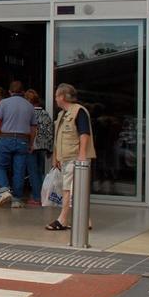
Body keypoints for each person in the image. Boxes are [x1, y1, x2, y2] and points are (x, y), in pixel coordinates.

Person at [46, 83, 96, 232]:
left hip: (75, 158)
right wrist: (56, 156)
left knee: (69, 189)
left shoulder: (79, 111)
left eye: (56, 96)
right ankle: (85, 220)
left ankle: (62, 219)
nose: (55, 99)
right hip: (65, 158)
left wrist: (81, 155)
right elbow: (58, 137)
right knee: (72, 189)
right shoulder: (62, 114)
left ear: (62, 96)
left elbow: (84, 134)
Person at [0, 80, 37, 208]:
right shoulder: (29, 106)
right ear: (23, 92)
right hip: (23, 139)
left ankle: (4, 190)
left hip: (6, 137)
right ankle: (16, 199)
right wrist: (31, 143)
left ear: (10, 91)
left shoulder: (3, 103)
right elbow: (33, 127)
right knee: (19, 170)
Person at [27, 89, 53, 206]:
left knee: (33, 173)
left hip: (32, 146)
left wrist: (30, 144)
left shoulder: (29, 114)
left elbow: (29, 130)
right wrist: (50, 147)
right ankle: (45, 196)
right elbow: (50, 131)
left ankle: (37, 197)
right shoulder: (45, 114)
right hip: (43, 147)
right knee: (41, 172)